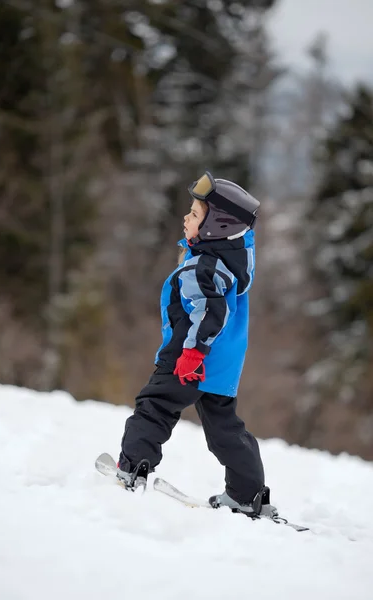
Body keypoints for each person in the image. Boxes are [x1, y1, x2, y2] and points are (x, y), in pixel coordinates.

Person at [117, 171, 275, 517]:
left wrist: (191, 353)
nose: (185, 219)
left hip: (190, 358)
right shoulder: (231, 262)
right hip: (221, 365)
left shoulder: (203, 267)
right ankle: (248, 494)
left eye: (194, 214)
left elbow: (209, 313)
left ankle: (132, 466)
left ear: (216, 226)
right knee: (225, 430)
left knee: (155, 406)